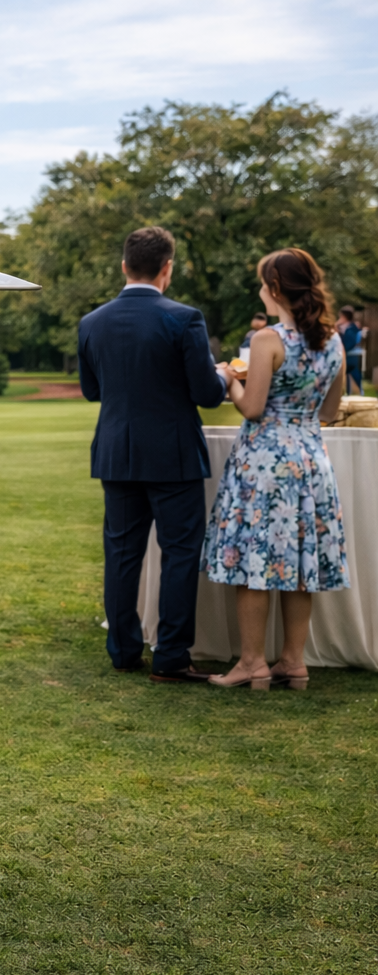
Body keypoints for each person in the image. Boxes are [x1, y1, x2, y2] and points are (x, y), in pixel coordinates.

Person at [78, 225, 229, 683]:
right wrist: (222, 375)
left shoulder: (92, 322)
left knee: (122, 553)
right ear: (167, 268)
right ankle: (171, 656)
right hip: (173, 453)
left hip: (117, 451)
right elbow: (206, 394)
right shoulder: (184, 318)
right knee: (180, 553)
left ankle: (124, 650)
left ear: (124, 266)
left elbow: (91, 391)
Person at [202, 249, 348, 690]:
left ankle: (251, 663)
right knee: (298, 562)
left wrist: (228, 377)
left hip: (265, 462)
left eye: (264, 283)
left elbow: (253, 408)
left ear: (277, 288)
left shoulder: (268, 340)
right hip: (310, 459)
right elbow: (331, 409)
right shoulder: (334, 340)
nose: (261, 291)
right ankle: (293, 661)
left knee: (255, 560)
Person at [336, 305, 364, 395]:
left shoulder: (351, 328)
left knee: (354, 375)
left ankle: (359, 392)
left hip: (351, 356)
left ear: (344, 316)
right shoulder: (343, 327)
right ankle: (347, 392)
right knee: (346, 376)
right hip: (347, 355)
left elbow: (350, 343)